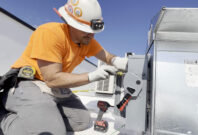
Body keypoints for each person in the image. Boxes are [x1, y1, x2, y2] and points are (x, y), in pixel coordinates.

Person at [0, 0, 128, 134]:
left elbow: (106, 56)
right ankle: (3, 116)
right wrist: (91, 76)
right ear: (71, 23)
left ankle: (45, 115)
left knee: (81, 121)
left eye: (93, 31)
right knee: (51, 131)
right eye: (86, 30)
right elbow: (52, 79)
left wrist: (117, 61)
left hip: (55, 87)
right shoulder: (50, 32)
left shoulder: (87, 41)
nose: (92, 35)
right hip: (30, 83)